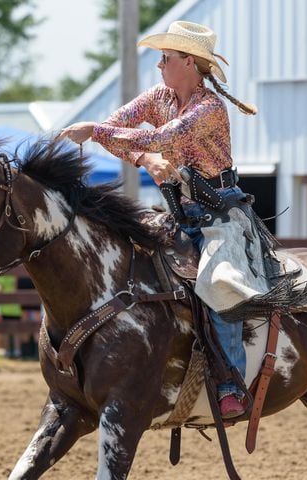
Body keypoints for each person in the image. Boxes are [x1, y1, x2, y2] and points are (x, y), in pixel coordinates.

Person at [59, 20, 259, 419]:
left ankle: (231, 381)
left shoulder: (208, 109)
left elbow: (159, 137)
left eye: (165, 58)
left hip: (220, 213)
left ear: (188, 61)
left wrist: (98, 132)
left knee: (220, 283)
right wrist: (142, 158)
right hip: (180, 213)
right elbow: (122, 132)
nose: (159, 65)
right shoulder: (159, 97)